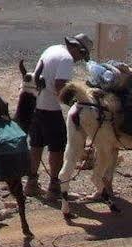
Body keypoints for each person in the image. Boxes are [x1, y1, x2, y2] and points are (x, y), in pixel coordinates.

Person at [28, 32, 88, 202]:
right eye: (82, 55)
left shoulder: (51, 49)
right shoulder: (67, 59)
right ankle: (54, 187)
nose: (80, 60)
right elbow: (60, 85)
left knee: (36, 144)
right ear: (77, 48)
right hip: (50, 109)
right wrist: (75, 105)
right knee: (57, 147)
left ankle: (31, 183)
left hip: (37, 104)